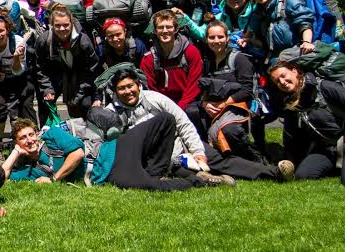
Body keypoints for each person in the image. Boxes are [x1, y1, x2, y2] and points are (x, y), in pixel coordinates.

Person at [186, 22, 294, 181]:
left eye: (220, 37)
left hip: (237, 107)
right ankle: (204, 152)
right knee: (191, 111)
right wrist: (204, 104)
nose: (216, 41)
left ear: (227, 37)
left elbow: (247, 90)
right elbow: (202, 88)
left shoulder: (240, 59)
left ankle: (252, 156)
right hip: (211, 106)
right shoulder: (206, 61)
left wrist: (223, 105)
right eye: (212, 37)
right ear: (206, 40)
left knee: (230, 131)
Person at [105, 67, 234, 185]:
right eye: (122, 88)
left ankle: (250, 172)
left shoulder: (156, 99)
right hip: (149, 160)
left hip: (178, 149)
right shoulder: (111, 113)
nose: (127, 91)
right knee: (179, 170)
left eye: (130, 86)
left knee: (219, 161)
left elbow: (184, 124)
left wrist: (198, 152)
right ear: (115, 92)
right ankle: (206, 180)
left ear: (138, 85)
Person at [268, 61, 345, 185]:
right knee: (303, 176)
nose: (282, 82)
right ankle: (340, 167)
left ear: (294, 71)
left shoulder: (324, 87)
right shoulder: (290, 102)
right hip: (325, 150)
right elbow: (291, 135)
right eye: (277, 81)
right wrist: (292, 161)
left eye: (283, 76)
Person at [34, 3, 101, 118]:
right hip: (55, 75)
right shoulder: (44, 40)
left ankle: (84, 130)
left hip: (79, 76)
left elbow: (93, 69)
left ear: (72, 23)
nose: (62, 29)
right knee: (45, 101)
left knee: (83, 103)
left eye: (66, 25)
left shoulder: (83, 41)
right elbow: (40, 67)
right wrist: (47, 89)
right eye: (57, 25)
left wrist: (80, 94)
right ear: (51, 25)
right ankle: (48, 130)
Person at [244, 0, 315, 61]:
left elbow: (304, 23)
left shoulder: (288, 1)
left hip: (297, 52)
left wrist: (306, 42)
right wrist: (248, 40)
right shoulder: (257, 13)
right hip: (274, 57)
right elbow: (254, 36)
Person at [140, 10, 203, 111]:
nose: (165, 31)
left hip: (187, 103)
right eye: (160, 27)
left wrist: (180, 108)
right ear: (155, 31)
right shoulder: (149, 59)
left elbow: (195, 83)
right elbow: (150, 88)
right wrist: (165, 108)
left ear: (176, 29)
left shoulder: (191, 51)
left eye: (169, 27)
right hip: (161, 105)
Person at [2, 118, 86, 183]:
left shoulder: (53, 134)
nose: (29, 140)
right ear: (16, 143)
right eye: (22, 138)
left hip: (96, 168)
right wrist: (15, 152)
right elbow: (1, 178)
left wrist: (53, 179)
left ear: (37, 135)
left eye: (31, 135)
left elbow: (78, 154)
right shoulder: (28, 170)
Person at [0, 14, 35, 125]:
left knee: (26, 106)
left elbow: (19, 70)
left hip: (20, 79)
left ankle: (31, 132)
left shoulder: (17, 42)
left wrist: (16, 57)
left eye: (1, 31)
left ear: (7, 30)